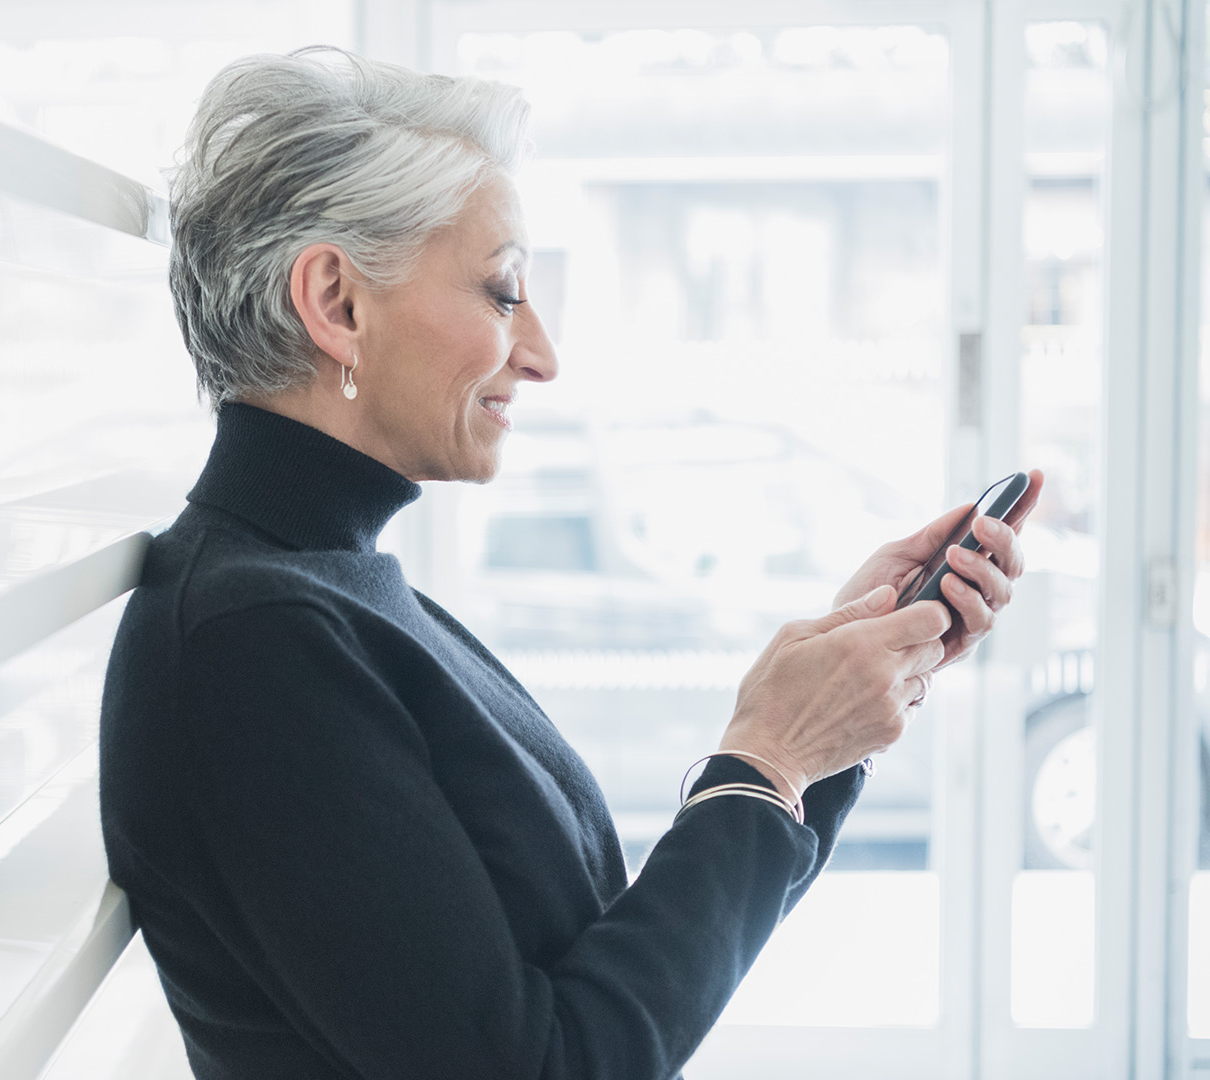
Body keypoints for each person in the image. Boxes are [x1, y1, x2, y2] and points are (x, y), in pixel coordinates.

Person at [100, 47, 1042, 1080]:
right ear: (336, 301)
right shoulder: (258, 643)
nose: (541, 353)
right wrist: (766, 760)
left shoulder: (325, 585)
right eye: (504, 292)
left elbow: (594, 979)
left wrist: (815, 738)